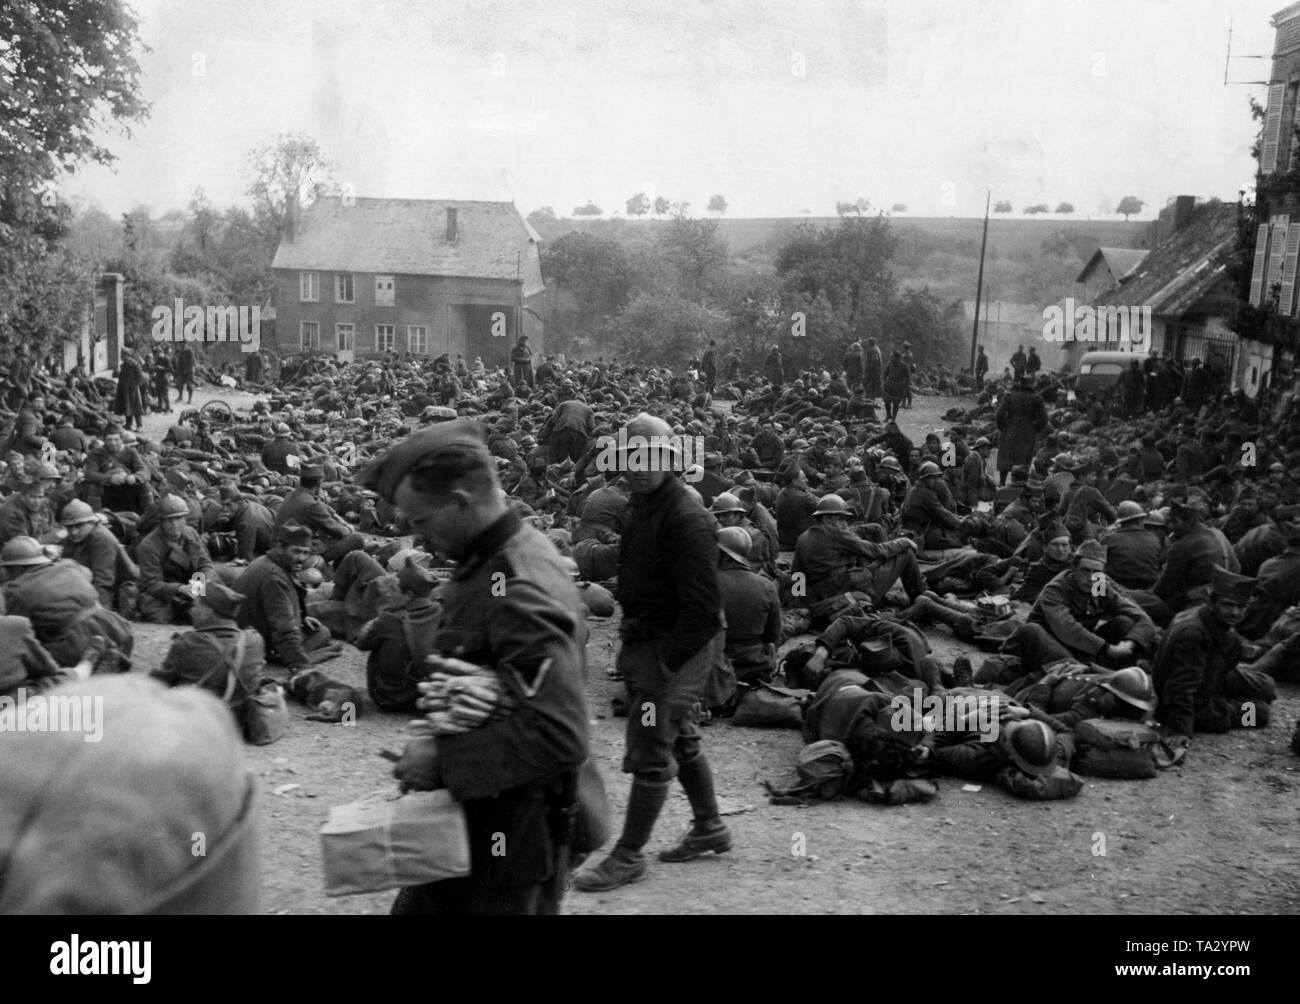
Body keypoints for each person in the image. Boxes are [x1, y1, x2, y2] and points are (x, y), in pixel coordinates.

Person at [359, 419, 594, 915]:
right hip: (476, 819)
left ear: (462, 502)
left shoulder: (517, 581)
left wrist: (441, 761)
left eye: (421, 522)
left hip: (509, 834)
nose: (419, 539)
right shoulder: (495, 558)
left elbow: (559, 734)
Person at [574, 413, 732, 893]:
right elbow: (635, 563)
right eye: (631, 458)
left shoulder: (687, 516)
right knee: (678, 735)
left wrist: (664, 666)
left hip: (679, 642)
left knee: (650, 745)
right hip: (652, 636)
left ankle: (627, 856)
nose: (639, 467)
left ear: (670, 460)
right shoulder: (645, 505)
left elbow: (704, 612)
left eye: (651, 458)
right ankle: (710, 827)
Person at [1152, 567, 1278, 750]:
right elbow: (1180, 686)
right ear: (1212, 603)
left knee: (1267, 686)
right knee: (1259, 713)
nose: (1235, 612)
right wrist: (1180, 729)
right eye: (1227, 605)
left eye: (1241, 606)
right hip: (1194, 703)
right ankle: (1228, 705)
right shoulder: (1194, 634)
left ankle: (1230, 697)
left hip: (1211, 675)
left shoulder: (1210, 619)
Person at [1007, 540, 1158, 675]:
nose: (1091, 578)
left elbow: (1141, 617)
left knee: (1124, 622)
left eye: (1096, 572)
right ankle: (1097, 672)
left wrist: (1128, 644)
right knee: (1032, 629)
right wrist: (1109, 649)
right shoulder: (1057, 589)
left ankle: (1122, 676)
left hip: (1084, 647)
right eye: (1085, 570)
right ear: (1073, 568)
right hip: (1050, 644)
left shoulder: (1097, 586)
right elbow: (1067, 629)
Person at [0, 536, 134, 671]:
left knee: (25, 661)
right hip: (115, 626)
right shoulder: (67, 566)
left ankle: (91, 667)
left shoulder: (17, 590)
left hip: (76, 642)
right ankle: (108, 657)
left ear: (17, 567)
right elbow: (88, 574)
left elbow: (17, 632)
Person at [152, 581, 266, 729]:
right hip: (241, 723)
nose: (191, 610)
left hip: (201, 724)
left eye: (196, 604)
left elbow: (157, 684)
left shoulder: (188, 643)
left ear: (208, 612)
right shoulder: (254, 640)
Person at [791, 494, 924, 609]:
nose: (844, 524)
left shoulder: (804, 537)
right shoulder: (836, 533)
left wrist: (800, 603)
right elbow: (876, 551)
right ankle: (919, 601)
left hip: (823, 596)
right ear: (826, 519)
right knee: (906, 553)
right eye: (840, 519)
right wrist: (904, 541)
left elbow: (797, 574)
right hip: (847, 590)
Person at [715, 527, 780, 685]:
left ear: (723, 553)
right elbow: (773, 635)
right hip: (755, 665)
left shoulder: (707, 584)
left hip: (717, 666)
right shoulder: (767, 585)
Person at [136, 494, 215, 624]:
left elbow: (205, 563)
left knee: (222, 585)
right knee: (158, 610)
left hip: (193, 584)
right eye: (169, 520)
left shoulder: (191, 533)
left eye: (178, 518)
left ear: (185, 518)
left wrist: (200, 582)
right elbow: (151, 584)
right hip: (166, 591)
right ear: (161, 522)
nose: (174, 524)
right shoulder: (148, 545)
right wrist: (181, 588)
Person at [1152, 496, 1239, 613]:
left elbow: (1165, 586)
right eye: (1169, 522)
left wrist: (1149, 597)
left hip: (1201, 601)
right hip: (1228, 593)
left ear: (1189, 522)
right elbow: (1237, 567)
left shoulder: (1183, 545)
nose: (1171, 527)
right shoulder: (1217, 533)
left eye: (1175, 522)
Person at [274, 464, 365, 570]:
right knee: (356, 539)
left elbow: (319, 504)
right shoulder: (311, 505)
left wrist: (335, 515)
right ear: (319, 483)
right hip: (298, 550)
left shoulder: (292, 495)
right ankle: (336, 571)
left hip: (282, 545)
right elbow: (338, 531)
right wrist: (348, 528)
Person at [59, 499, 138, 613]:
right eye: (69, 527)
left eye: (79, 525)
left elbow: (103, 582)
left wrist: (99, 615)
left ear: (91, 522)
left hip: (121, 590)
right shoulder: (72, 539)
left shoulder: (101, 539)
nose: (74, 532)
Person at [83, 426, 153, 513]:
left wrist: (135, 477)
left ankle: (149, 515)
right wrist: (110, 478)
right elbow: (89, 474)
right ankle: (96, 516)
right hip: (106, 490)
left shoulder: (130, 451)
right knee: (92, 486)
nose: (113, 443)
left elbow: (144, 471)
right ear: (104, 440)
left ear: (121, 439)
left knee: (144, 484)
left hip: (128, 488)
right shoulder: (95, 453)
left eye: (116, 439)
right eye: (109, 440)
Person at [994, 376, 1049, 486]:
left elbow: (999, 415)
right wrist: (1035, 428)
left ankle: (1002, 482)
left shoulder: (1010, 396)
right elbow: (1044, 419)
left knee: (1006, 455)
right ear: (1031, 384)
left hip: (1010, 428)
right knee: (1024, 457)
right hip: (1027, 431)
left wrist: (1003, 426)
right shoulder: (1036, 398)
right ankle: (1021, 484)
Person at [1101, 501, 1163, 591]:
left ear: (1121, 522)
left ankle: (1096, 601)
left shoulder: (1109, 539)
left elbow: (1099, 567)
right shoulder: (1154, 538)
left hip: (1118, 589)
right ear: (1140, 520)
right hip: (1149, 589)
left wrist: (1098, 593)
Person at [218, 485, 276, 563]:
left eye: (228, 505)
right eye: (223, 505)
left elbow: (244, 558)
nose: (224, 509)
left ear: (238, 502)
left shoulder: (246, 522)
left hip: (274, 550)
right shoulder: (247, 503)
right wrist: (225, 524)